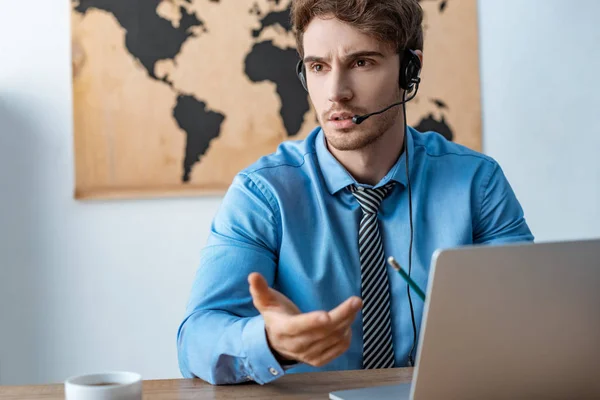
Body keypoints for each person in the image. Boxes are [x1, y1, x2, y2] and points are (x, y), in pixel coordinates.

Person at [176, 0, 534, 385]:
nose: (336, 93)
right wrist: (271, 342)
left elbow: (528, 320)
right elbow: (195, 338)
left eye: (362, 62)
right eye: (318, 67)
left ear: (409, 70)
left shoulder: (477, 182)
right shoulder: (263, 193)